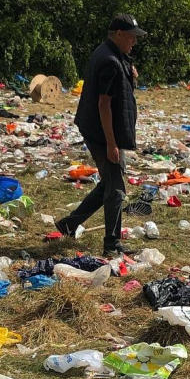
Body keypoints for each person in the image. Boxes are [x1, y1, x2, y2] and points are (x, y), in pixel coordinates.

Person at [56, 13, 145, 256]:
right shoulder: (108, 60)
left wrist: (131, 73)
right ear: (117, 34)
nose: (134, 42)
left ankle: (70, 224)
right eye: (130, 37)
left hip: (99, 127)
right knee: (116, 188)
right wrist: (111, 144)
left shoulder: (112, 54)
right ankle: (112, 243)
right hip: (101, 131)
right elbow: (103, 104)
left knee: (109, 182)